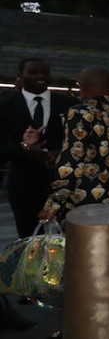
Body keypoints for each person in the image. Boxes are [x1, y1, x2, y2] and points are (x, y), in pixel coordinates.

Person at [40, 67, 109, 221]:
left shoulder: (80, 113)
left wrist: (53, 204)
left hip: (84, 202)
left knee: (83, 245)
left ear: (81, 89)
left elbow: (71, 163)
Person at [0, 58, 72, 238]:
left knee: (69, 243)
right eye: (33, 72)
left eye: (44, 72)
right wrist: (25, 148)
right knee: (29, 242)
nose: (40, 76)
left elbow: (82, 144)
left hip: (63, 186)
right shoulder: (5, 105)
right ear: (20, 76)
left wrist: (60, 154)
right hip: (24, 187)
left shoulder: (69, 104)